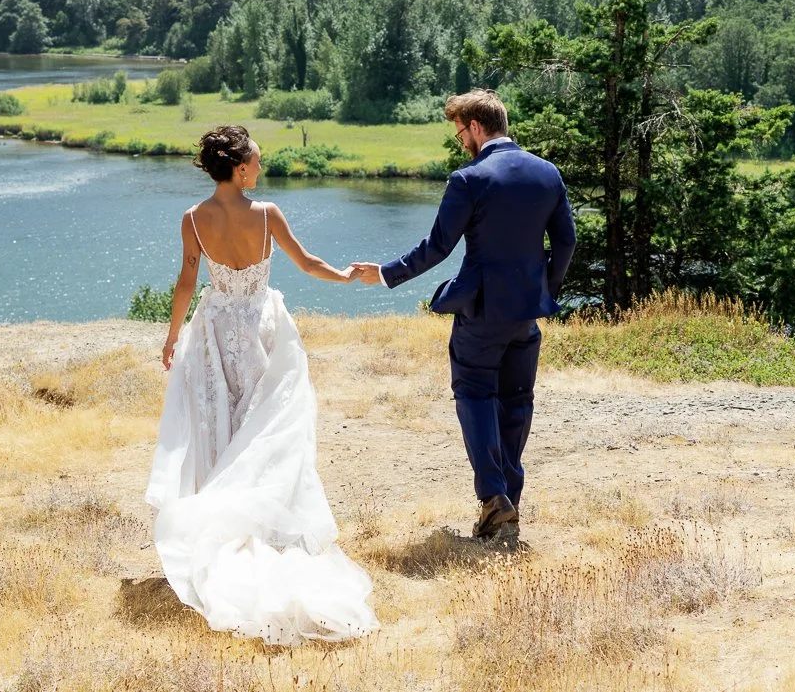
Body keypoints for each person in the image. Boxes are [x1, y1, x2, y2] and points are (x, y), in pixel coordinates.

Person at [146, 125, 378, 645]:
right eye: (256, 157)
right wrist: (346, 277)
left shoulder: (192, 219)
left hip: (212, 332)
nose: (261, 163)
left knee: (219, 429)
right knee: (266, 428)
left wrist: (172, 336)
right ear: (240, 166)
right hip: (261, 330)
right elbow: (306, 262)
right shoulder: (268, 214)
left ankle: (220, 531)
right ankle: (262, 526)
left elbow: (187, 280)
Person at [350, 89, 574, 542]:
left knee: (474, 395)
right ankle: (509, 499)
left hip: (481, 314)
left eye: (460, 134)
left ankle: (495, 499)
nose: (461, 144)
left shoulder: (469, 179)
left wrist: (387, 274)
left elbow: (437, 248)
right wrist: (541, 294)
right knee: (517, 403)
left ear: (476, 127)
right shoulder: (547, 174)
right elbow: (565, 243)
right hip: (526, 316)